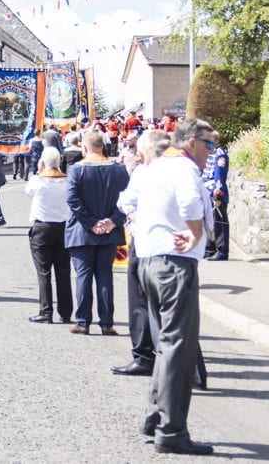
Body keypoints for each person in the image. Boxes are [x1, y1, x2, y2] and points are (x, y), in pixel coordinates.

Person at [135, 118, 215, 455]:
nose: (211, 153)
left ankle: (156, 418)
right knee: (178, 348)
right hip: (173, 264)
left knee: (167, 345)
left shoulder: (155, 167)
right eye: (209, 145)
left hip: (152, 261)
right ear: (192, 142)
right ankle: (171, 430)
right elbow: (189, 204)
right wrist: (196, 232)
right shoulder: (182, 168)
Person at [112, 129, 171, 376]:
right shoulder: (179, 170)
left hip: (154, 243)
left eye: (140, 152)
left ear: (147, 151)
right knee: (163, 304)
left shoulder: (146, 173)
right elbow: (125, 201)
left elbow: (126, 202)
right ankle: (156, 356)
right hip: (166, 246)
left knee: (145, 302)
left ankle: (148, 356)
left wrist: (138, 216)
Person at [64, 131, 130, 335]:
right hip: (109, 230)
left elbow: (73, 200)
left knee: (83, 276)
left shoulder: (76, 170)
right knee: (105, 276)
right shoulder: (119, 170)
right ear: (102, 146)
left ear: (84, 148)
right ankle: (107, 323)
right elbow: (128, 199)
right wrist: (113, 220)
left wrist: (91, 223)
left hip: (82, 231)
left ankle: (83, 322)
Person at [24, 147, 72, 324]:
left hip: (42, 227)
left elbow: (28, 191)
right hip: (63, 227)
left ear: (43, 162)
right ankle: (66, 312)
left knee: (43, 272)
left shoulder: (37, 180)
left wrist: (39, 170)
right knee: (63, 271)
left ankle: (46, 311)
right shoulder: (67, 181)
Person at [202, 131, 230, 261]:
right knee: (209, 222)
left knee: (219, 222)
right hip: (207, 191)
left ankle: (222, 251)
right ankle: (209, 248)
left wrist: (217, 196)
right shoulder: (211, 153)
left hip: (215, 192)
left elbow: (220, 177)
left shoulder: (220, 155)